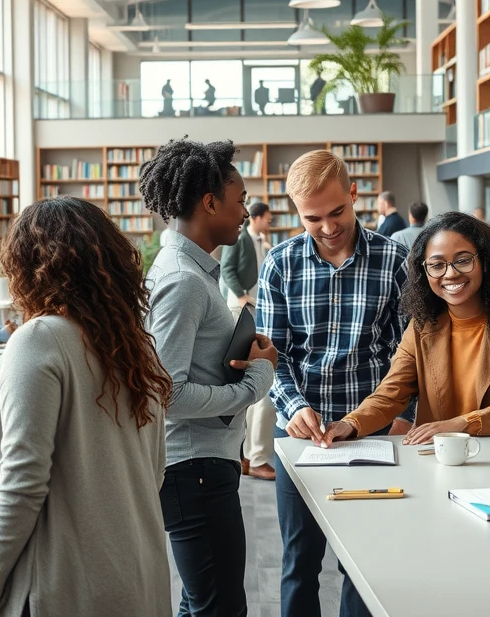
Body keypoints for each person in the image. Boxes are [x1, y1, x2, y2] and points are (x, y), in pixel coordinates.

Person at [0, 197, 174, 617]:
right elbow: (154, 469)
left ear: (26, 267)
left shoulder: (39, 340)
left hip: (54, 583)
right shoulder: (134, 348)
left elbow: (21, 481)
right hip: (132, 574)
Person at [256, 149, 411, 617]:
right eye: (313, 218)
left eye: (337, 211)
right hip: (300, 436)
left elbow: (409, 354)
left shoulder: (395, 260)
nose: (327, 227)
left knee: (363, 561)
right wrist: (294, 405)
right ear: (295, 213)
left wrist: (404, 415)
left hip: (374, 433)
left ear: (354, 192)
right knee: (299, 561)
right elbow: (271, 360)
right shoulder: (280, 265)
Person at [140, 139, 278, 617]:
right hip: (192, 469)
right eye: (239, 200)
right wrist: (256, 380)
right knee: (218, 608)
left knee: (202, 603)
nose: (245, 211)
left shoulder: (188, 272)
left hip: (198, 465)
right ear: (209, 202)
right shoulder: (183, 280)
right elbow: (167, 393)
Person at [320, 212, 490, 446]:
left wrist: (462, 423)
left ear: (485, 261)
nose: (450, 273)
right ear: (425, 270)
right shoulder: (423, 324)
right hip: (435, 458)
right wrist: (352, 423)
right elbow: (391, 393)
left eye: (463, 260)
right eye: (437, 265)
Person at [219, 200, 278, 481]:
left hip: (255, 306)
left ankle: (247, 455)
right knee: (246, 374)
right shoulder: (237, 238)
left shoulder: (258, 240)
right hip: (239, 307)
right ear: (257, 217)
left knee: (251, 377)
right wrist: (241, 295)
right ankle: (251, 456)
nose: (270, 222)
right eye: (267, 218)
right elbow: (227, 269)